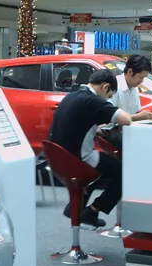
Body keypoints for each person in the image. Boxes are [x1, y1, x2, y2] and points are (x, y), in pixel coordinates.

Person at [48, 69, 132, 228]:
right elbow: (126, 119)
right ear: (106, 87)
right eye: (110, 96)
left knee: (110, 168)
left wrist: (95, 130)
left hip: (57, 158)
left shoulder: (71, 96)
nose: (108, 100)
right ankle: (92, 210)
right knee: (124, 173)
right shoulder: (93, 101)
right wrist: (146, 116)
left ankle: (76, 205)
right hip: (77, 159)